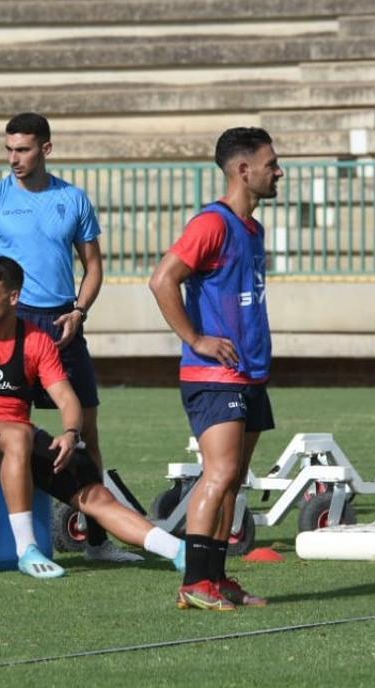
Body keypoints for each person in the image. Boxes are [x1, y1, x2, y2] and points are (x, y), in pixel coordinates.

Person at [0, 113, 138, 563]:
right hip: (10, 327)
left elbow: (93, 267)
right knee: (1, 427)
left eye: (22, 149)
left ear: (46, 149)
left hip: (61, 324)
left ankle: (97, 542)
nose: (13, 158)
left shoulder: (73, 199)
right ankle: (7, 535)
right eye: (8, 149)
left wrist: (79, 311)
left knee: (86, 435)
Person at [0, 256, 185, 579]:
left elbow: (68, 399)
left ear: (13, 297)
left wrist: (69, 434)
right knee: (20, 436)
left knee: (96, 495)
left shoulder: (36, 340)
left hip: (19, 441)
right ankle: (27, 550)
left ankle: (177, 551)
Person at [148, 127, 282, 611]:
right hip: (213, 376)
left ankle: (218, 578)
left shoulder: (253, 229)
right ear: (243, 170)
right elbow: (163, 279)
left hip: (249, 375)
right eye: (271, 163)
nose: (279, 171)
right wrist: (197, 339)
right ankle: (193, 582)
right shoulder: (213, 223)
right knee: (219, 473)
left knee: (232, 480)